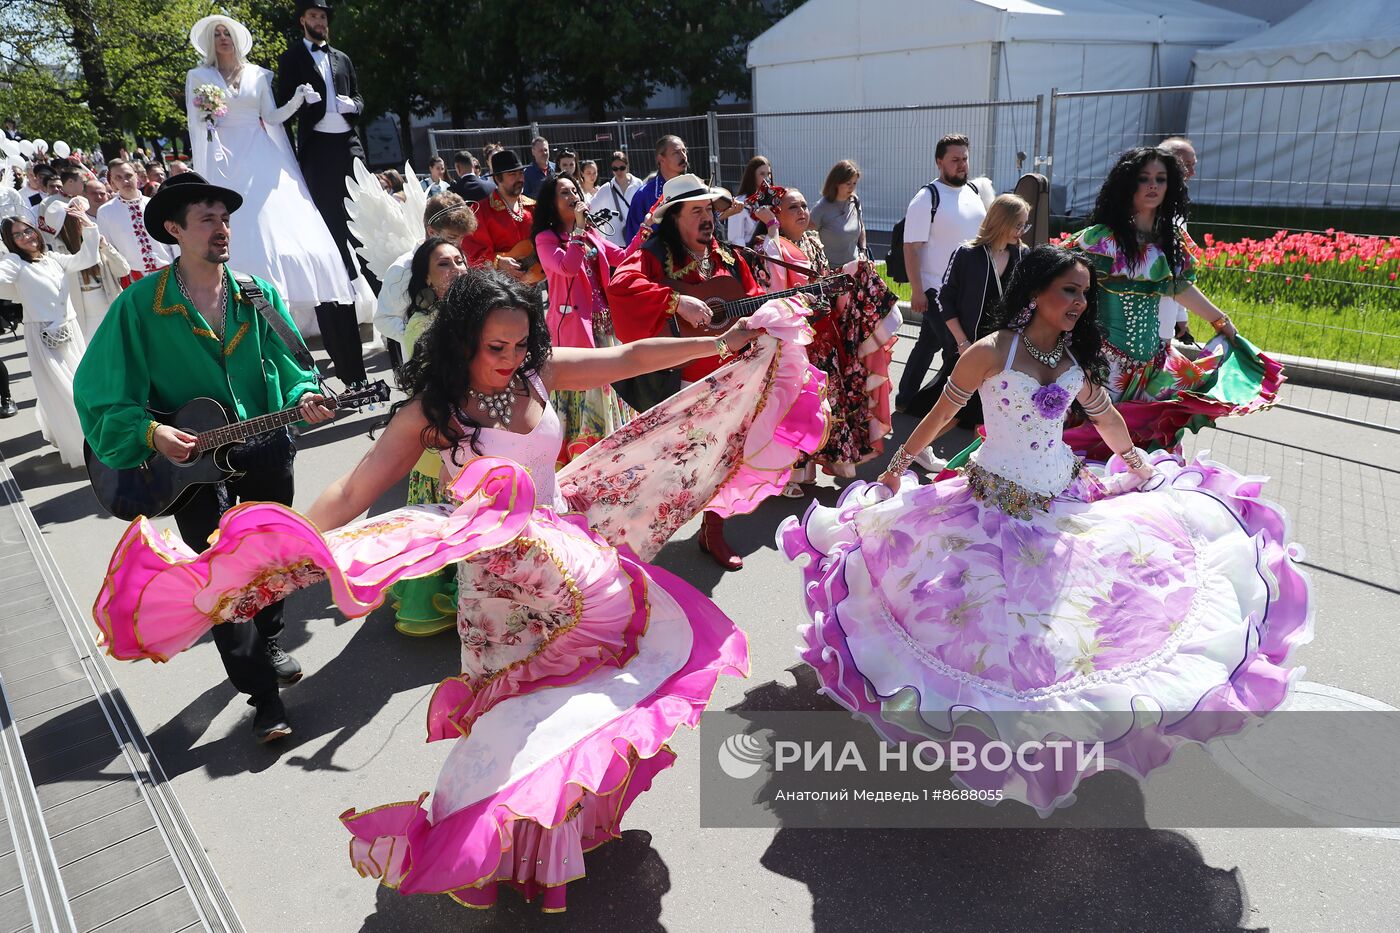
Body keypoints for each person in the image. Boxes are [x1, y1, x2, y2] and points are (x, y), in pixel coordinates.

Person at [89, 265, 832, 910]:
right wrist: (282, 543)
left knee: (578, 706)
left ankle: (551, 848)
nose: (510, 361)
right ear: (461, 344)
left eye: (519, 344)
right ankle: (482, 841)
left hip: (567, 558)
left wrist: (715, 343)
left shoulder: (540, 374)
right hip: (502, 587)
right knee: (518, 717)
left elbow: (627, 355)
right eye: (494, 348)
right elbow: (351, 490)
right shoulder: (434, 414)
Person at [779, 244, 1312, 815]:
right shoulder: (989, 352)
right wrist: (894, 470)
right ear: (1035, 292)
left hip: (1065, 501)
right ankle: (994, 738)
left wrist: (1137, 467)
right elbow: (939, 416)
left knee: (1078, 624)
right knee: (988, 628)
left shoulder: (1073, 361)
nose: (1081, 303)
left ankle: (1050, 737)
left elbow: (1105, 417)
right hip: (992, 507)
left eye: (1085, 293)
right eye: (1070, 291)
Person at [75, 171, 335, 743]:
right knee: (223, 574)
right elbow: (98, 390)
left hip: (265, 447)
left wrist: (304, 398)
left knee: (270, 560)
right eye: (207, 220)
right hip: (191, 467)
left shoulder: (254, 293)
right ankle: (262, 696)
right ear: (175, 229)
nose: (222, 229)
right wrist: (149, 433)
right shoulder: (141, 304)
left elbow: (294, 371)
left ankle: (270, 635)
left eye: (225, 219)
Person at [185, 13, 365, 388]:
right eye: (216, 33)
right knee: (244, 240)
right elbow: (198, 125)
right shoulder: (199, 78)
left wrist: (298, 99)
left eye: (227, 32)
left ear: (237, 37)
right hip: (225, 161)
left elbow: (272, 117)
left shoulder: (260, 76)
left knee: (286, 238)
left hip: (262, 160)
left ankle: (305, 342)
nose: (222, 38)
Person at [1065, 146, 1280, 458]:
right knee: (1098, 443)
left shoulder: (1169, 240)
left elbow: (1179, 288)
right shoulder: (1101, 240)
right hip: (1103, 364)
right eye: (1144, 178)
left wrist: (1222, 323)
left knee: (1154, 441)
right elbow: (1066, 289)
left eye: (1161, 179)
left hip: (1155, 362)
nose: (1153, 186)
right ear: (1128, 184)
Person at [608, 173, 764, 570]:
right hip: (678, 383)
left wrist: (767, 315)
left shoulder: (728, 255)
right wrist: (675, 301)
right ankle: (632, 542)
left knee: (723, 459)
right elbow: (622, 286)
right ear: (674, 217)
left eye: (709, 208)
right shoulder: (653, 253)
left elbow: (753, 297)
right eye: (696, 210)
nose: (707, 216)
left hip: (730, 379)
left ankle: (713, 530)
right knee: (664, 465)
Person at [760, 187, 900, 492]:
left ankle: (806, 470)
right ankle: (787, 477)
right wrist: (771, 231)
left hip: (823, 337)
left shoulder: (812, 241)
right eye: (792, 207)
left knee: (824, 406)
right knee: (795, 406)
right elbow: (774, 293)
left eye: (804, 205)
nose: (801, 212)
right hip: (793, 340)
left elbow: (822, 280)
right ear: (776, 215)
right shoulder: (770, 247)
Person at [276, 0, 370, 389]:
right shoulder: (291, 58)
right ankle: (341, 286)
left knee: (365, 222)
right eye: (313, 17)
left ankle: (369, 282)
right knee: (329, 237)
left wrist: (354, 106)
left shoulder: (343, 59)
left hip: (347, 143)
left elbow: (361, 98)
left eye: (324, 18)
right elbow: (280, 105)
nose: (320, 22)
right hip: (316, 150)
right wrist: (300, 101)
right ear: (303, 21)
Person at [533, 174, 635, 467]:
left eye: (574, 190)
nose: (573, 195)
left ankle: (610, 450)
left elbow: (624, 255)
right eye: (564, 192)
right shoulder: (546, 239)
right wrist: (578, 230)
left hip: (605, 327)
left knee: (610, 386)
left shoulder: (590, 233)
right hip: (575, 330)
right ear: (551, 205)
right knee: (585, 392)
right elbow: (566, 267)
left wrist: (648, 227)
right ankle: (580, 455)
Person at [905, 193, 1030, 431]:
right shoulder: (967, 254)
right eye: (1018, 224)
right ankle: (915, 452)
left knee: (988, 412)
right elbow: (944, 299)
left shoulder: (1023, 255)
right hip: (970, 344)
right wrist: (961, 342)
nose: (1022, 231)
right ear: (1002, 221)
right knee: (953, 410)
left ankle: (972, 462)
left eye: (1025, 224)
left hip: (1003, 347)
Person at [894, 133, 987, 412]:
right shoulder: (926, 198)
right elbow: (911, 249)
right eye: (955, 160)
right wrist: (918, 291)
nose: (962, 165)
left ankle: (905, 398)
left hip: (965, 289)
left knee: (927, 344)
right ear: (939, 162)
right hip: (936, 290)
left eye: (965, 159)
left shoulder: (972, 191)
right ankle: (944, 408)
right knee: (953, 349)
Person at [1, 206, 98, 466]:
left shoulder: (53, 258)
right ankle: (84, 444)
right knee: (67, 391)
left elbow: (86, 258)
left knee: (82, 384)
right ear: (11, 241)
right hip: (44, 337)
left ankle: (84, 436)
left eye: (27, 230)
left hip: (71, 331)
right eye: (17, 235)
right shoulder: (14, 263)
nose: (25, 237)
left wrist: (88, 225)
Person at [372, 192, 476, 370]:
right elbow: (384, 319)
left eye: (462, 238)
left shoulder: (457, 258)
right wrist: (421, 332)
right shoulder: (403, 269)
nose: (458, 244)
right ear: (431, 231)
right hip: (427, 362)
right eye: (452, 237)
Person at [47, 196, 129, 339]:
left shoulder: (97, 243)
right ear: (68, 225)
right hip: (83, 318)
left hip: (111, 307)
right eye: (79, 219)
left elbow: (123, 270)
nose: (85, 221)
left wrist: (105, 247)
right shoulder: (57, 251)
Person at [96, 158, 175, 286]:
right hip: (134, 278)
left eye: (128, 175)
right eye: (118, 177)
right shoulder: (105, 212)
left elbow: (174, 240)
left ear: (136, 177)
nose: (125, 181)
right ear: (112, 182)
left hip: (168, 272)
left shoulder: (155, 204)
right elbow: (109, 250)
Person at [461, 149, 535, 280]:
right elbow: (473, 251)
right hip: (501, 287)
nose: (520, 178)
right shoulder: (480, 212)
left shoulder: (533, 206)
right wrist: (498, 261)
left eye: (521, 173)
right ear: (497, 178)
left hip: (533, 281)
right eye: (513, 174)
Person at [1156, 136, 1197, 344]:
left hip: (1167, 312)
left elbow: (1178, 267)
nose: (1192, 173)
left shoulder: (1177, 205)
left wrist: (1180, 316)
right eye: (1186, 165)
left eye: (1193, 165)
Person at [622, 135, 688, 243]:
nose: (683, 156)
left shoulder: (694, 188)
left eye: (684, 151)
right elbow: (633, 241)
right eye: (676, 152)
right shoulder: (643, 196)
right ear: (661, 158)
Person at [809, 159, 867, 267]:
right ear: (836, 182)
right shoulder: (821, 207)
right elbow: (807, 236)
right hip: (831, 272)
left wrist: (863, 250)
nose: (852, 187)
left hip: (855, 268)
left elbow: (861, 227)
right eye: (848, 183)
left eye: (854, 183)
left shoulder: (855, 201)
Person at [592, 150, 642, 248]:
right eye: (615, 169)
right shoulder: (606, 188)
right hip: (615, 243)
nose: (619, 171)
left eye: (622, 168)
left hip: (636, 240)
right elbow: (591, 207)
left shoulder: (638, 184)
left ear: (627, 166)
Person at [727, 155, 773, 248]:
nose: (767, 178)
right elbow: (735, 238)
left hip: (771, 251)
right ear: (752, 176)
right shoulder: (740, 202)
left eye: (768, 174)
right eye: (762, 174)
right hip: (750, 254)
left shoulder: (774, 200)